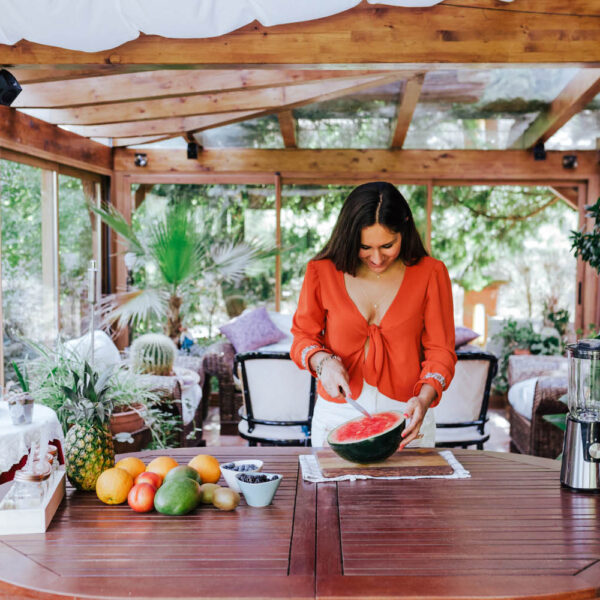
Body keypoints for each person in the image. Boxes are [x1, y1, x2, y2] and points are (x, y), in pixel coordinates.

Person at [290, 181, 456, 448]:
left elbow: (441, 350)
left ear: (404, 228)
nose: (377, 258)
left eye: (388, 245)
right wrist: (323, 362)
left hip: (409, 415)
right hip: (336, 414)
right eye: (365, 247)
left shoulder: (431, 273)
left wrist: (423, 400)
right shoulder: (320, 272)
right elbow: (301, 339)